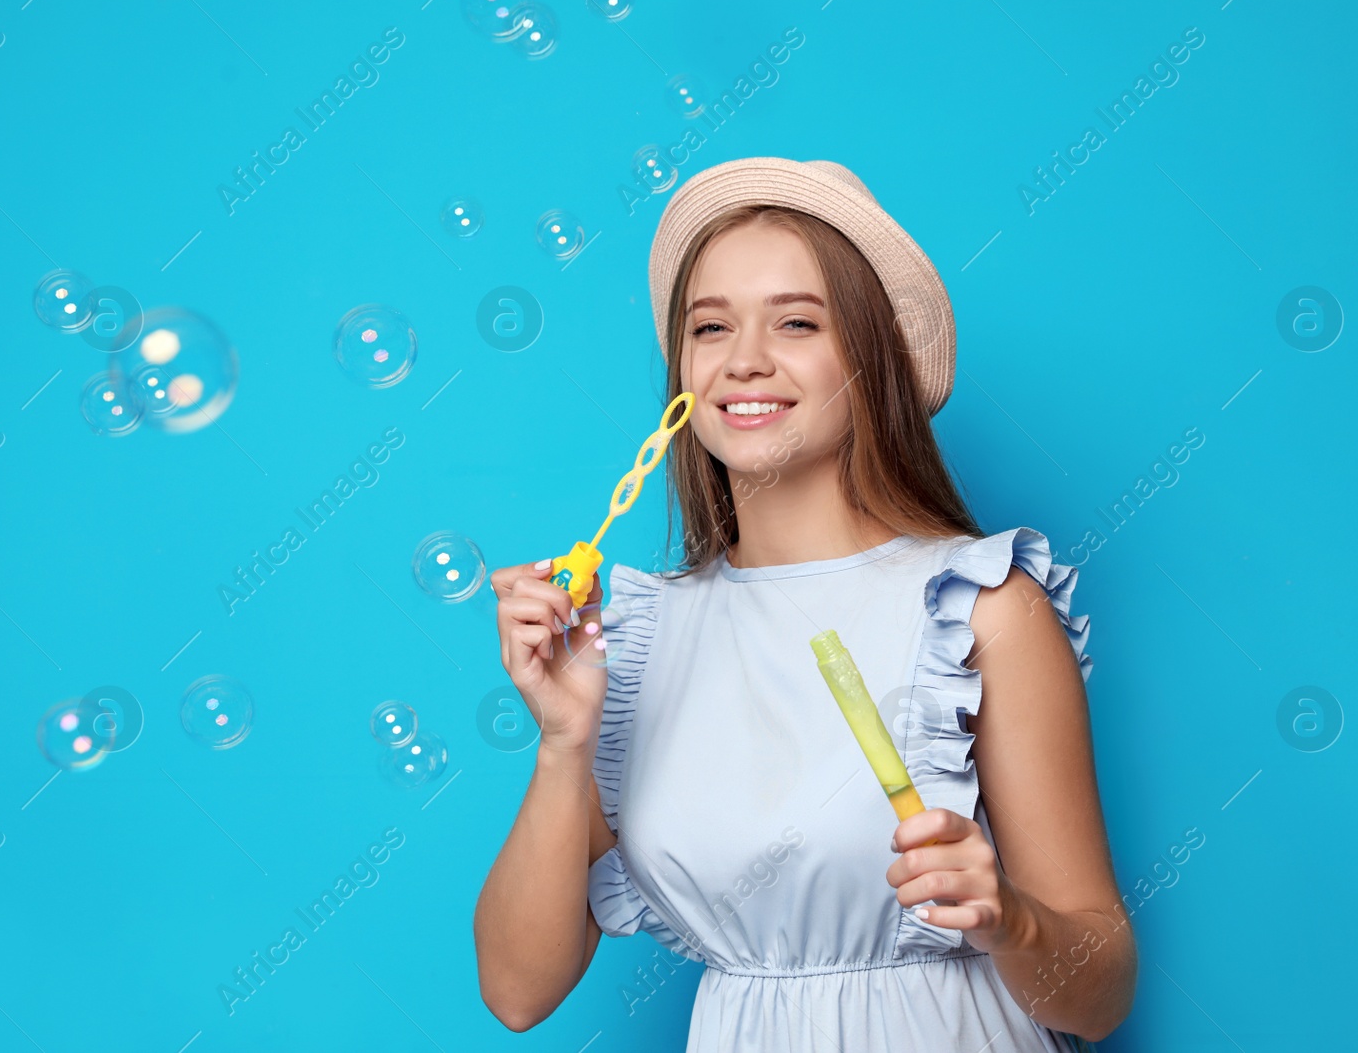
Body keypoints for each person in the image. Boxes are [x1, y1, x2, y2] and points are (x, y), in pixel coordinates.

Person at [475, 157, 1136, 1050]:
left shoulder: (979, 607)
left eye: (796, 321)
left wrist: (1009, 920)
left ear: (871, 357)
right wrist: (563, 743)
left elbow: (1098, 997)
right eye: (710, 326)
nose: (744, 360)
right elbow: (517, 992)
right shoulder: (636, 643)